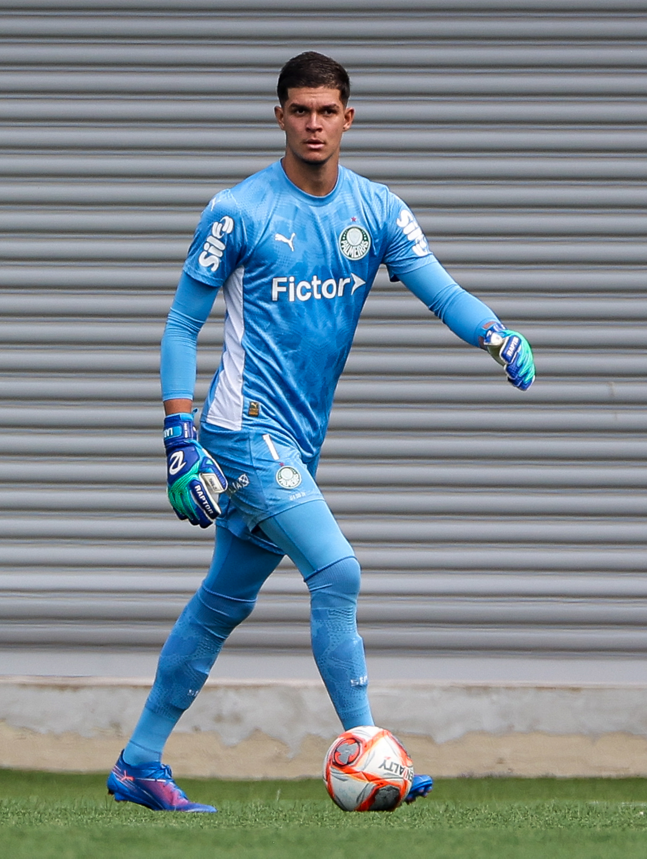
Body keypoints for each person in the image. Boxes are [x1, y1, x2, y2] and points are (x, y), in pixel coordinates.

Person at [107, 51, 535, 813]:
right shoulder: (238, 210)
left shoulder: (375, 211)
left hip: (295, 439)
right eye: (299, 111)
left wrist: (497, 335)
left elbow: (440, 288)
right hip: (243, 432)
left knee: (221, 603)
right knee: (337, 572)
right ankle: (370, 747)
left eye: (326, 111)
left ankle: (140, 758)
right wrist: (179, 438)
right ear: (279, 116)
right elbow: (180, 324)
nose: (313, 124)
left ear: (348, 117)